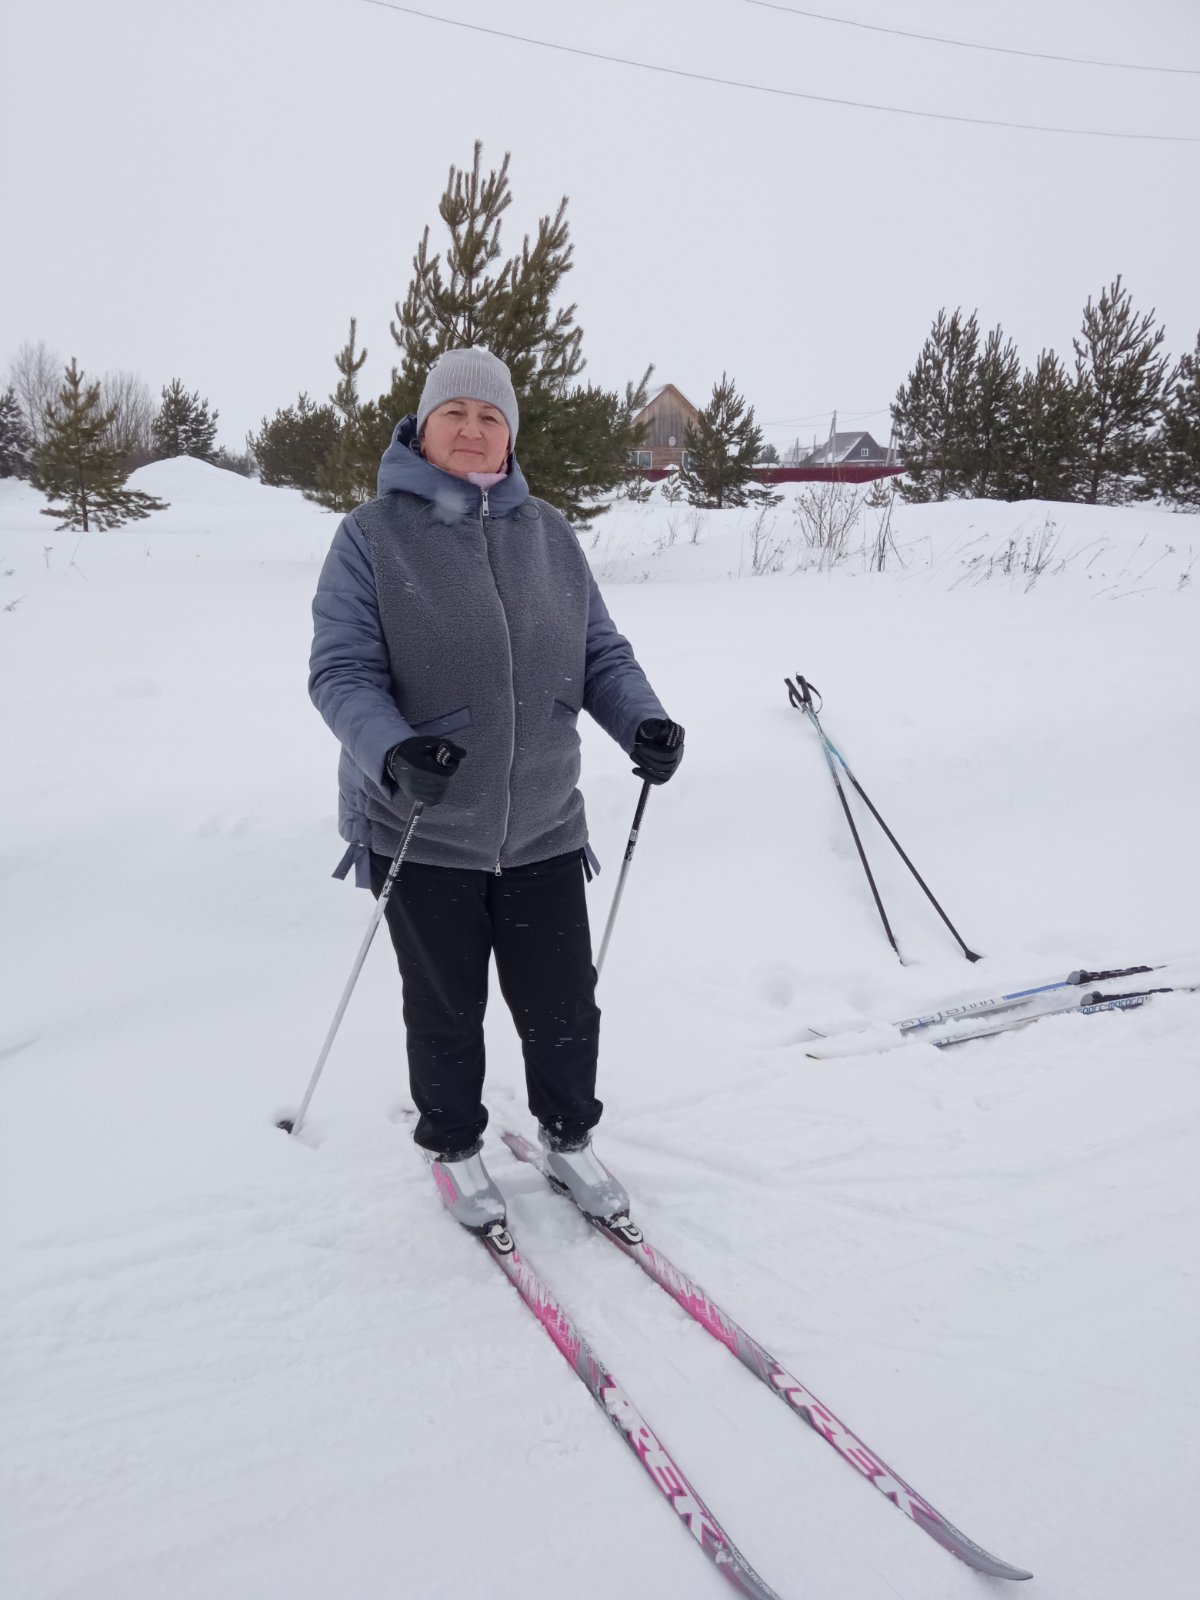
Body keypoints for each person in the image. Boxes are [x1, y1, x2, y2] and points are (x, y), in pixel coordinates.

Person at [309, 347, 684, 1233]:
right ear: (424, 428)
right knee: (446, 1009)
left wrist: (642, 722)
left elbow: (600, 653)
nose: (472, 431)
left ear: (509, 434)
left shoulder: (547, 533)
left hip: (545, 824)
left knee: (562, 1001)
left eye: (490, 417)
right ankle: (453, 1147)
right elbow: (342, 674)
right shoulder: (370, 535)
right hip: (423, 824)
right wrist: (394, 752)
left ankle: (569, 1138)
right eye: (455, 415)